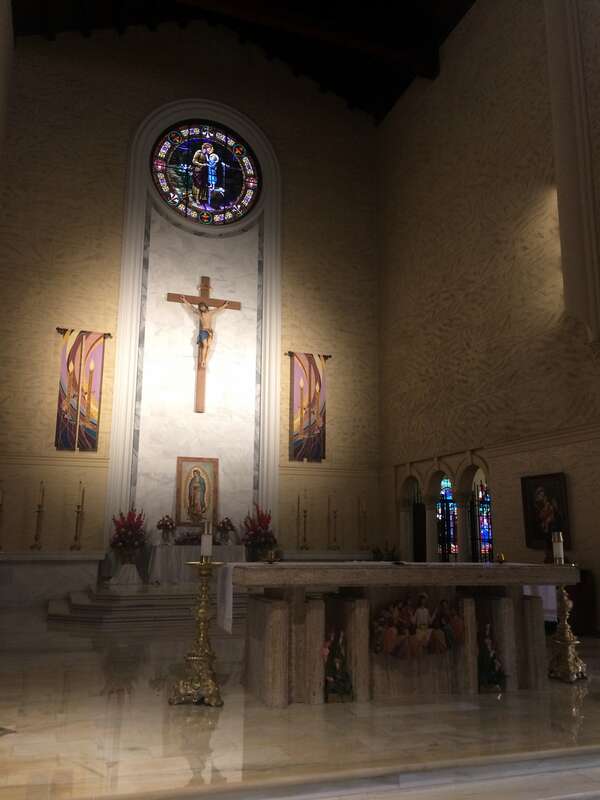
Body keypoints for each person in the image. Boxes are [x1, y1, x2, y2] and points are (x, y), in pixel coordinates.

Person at [180, 294, 230, 368]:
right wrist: (184, 300)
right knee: (205, 346)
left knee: (209, 346)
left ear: (205, 307)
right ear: (200, 309)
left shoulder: (210, 312)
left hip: (210, 332)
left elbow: (218, 309)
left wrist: (225, 305)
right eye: (200, 307)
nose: (202, 308)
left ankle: (205, 361)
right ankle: (203, 360)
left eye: (203, 307)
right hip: (203, 331)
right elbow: (191, 307)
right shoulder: (200, 314)